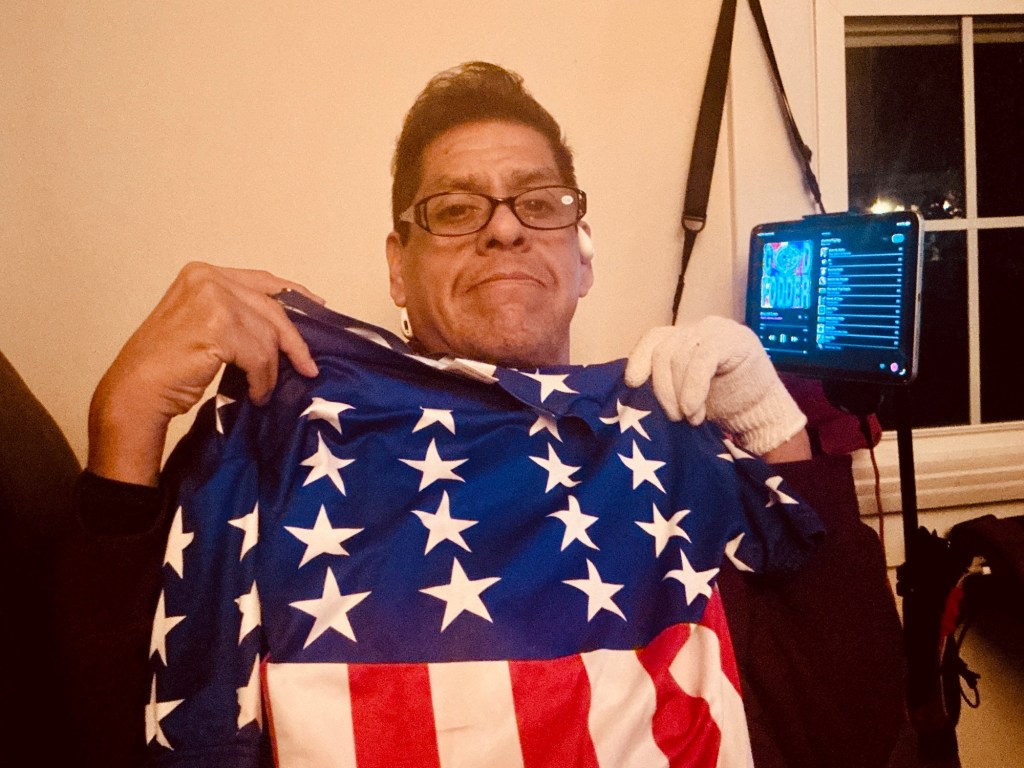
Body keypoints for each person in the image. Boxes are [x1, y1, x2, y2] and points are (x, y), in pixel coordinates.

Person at [58, 61, 907, 767]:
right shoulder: (287, 428)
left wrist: (776, 434)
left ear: (582, 258)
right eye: (457, 209)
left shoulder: (669, 443)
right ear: (399, 268)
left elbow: (852, 729)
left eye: (541, 202)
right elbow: (109, 725)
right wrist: (124, 422)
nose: (504, 231)